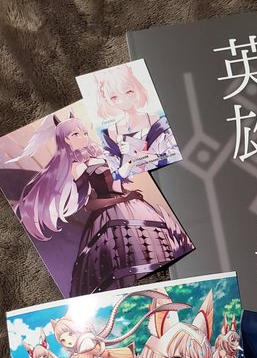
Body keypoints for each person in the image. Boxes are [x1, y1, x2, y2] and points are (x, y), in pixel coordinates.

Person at [12, 113, 193, 296]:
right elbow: (88, 205)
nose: (83, 137)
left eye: (84, 132)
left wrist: (133, 160)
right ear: (65, 139)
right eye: (76, 134)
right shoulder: (77, 167)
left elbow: (120, 174)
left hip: (136, 207)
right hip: (110, 218)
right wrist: (121, 199)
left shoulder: (99, 155)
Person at [95, 64, 181, 176]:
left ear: (137, 89)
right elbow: (117, 174)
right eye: (114, 97)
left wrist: (136, 152)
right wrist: (132, 160)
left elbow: (173, 156)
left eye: (129, 92)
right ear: (107, 100)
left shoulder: (156, 121)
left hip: (168, 173)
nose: (123, 100)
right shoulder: (110, 132)